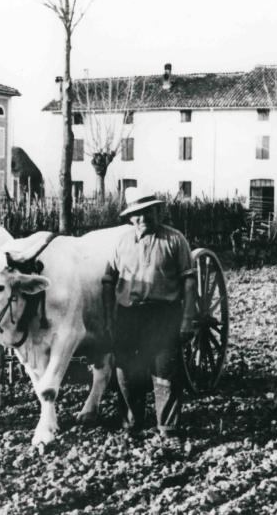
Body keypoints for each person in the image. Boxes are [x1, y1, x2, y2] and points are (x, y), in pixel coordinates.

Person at [102, 187, 197, 438]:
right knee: (125, 370)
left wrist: (187, 318)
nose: (143, 218)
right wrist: (109, 318)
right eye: (137, 214)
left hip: (163, 315)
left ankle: (167, 428)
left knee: (164, 370)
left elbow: (189, 281)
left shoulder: (175, 240)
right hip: (129, 315)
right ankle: (132, 423)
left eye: (148, 212)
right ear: (130, 218)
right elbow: (108, 280)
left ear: (158, 211)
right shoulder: (121, 243)